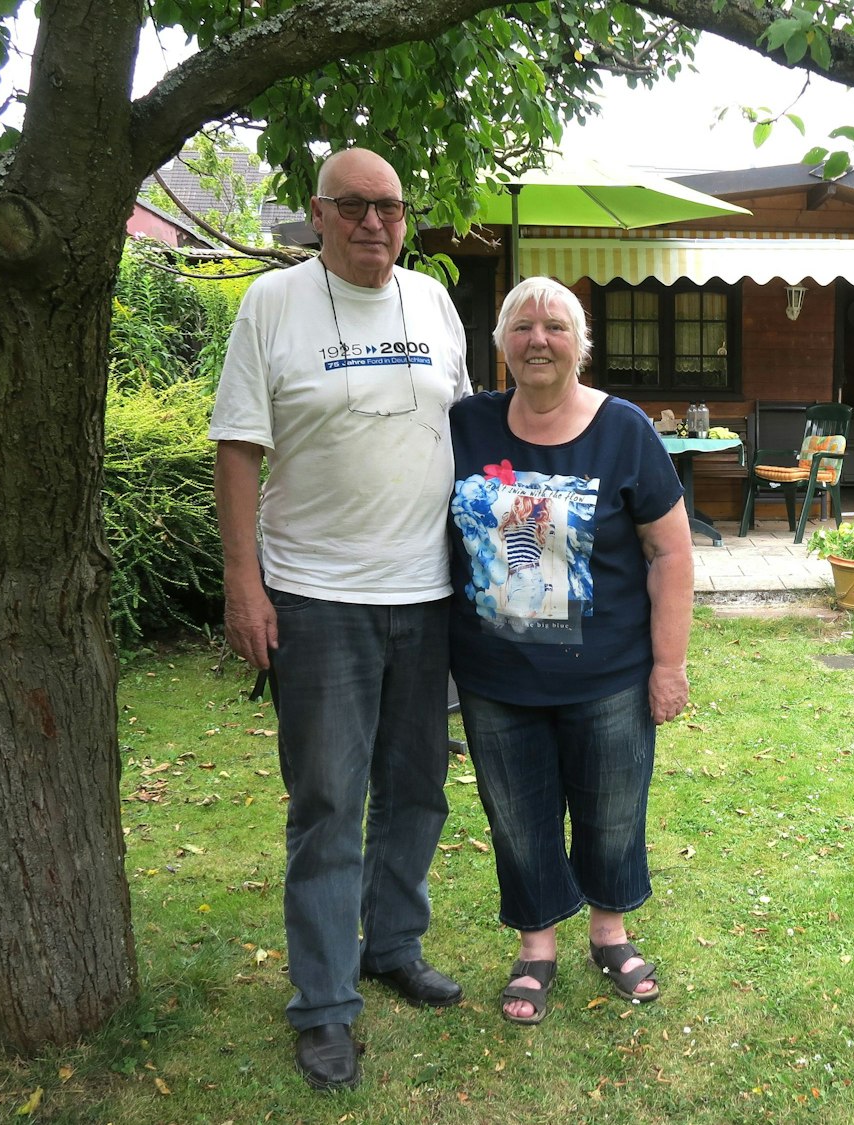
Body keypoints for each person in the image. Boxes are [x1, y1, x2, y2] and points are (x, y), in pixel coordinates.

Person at [209, 147, 472, 1091]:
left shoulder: (436, 305)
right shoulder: (270, 306)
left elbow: (461, 430)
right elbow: (238, 450)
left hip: (428, 591)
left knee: (418, 787)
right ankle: (323, 1006)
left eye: (391, 208)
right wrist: (245, 583)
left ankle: (392, 943)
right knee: (327, 804)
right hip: (317, 596)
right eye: (354, 206)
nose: (374, 223)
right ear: (318, 213)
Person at [447, 276, 693, 1025]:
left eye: (555, 325)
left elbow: (671, 553)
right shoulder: (466, 425)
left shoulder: (624, 431)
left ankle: (610, 933)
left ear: (579, 344)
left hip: (609, 674)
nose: (538, 339)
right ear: (501, 347)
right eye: (521, 326)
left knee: (612, 810)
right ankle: (536, 946)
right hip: (497, 676)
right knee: (518, 816)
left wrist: (668, 665)